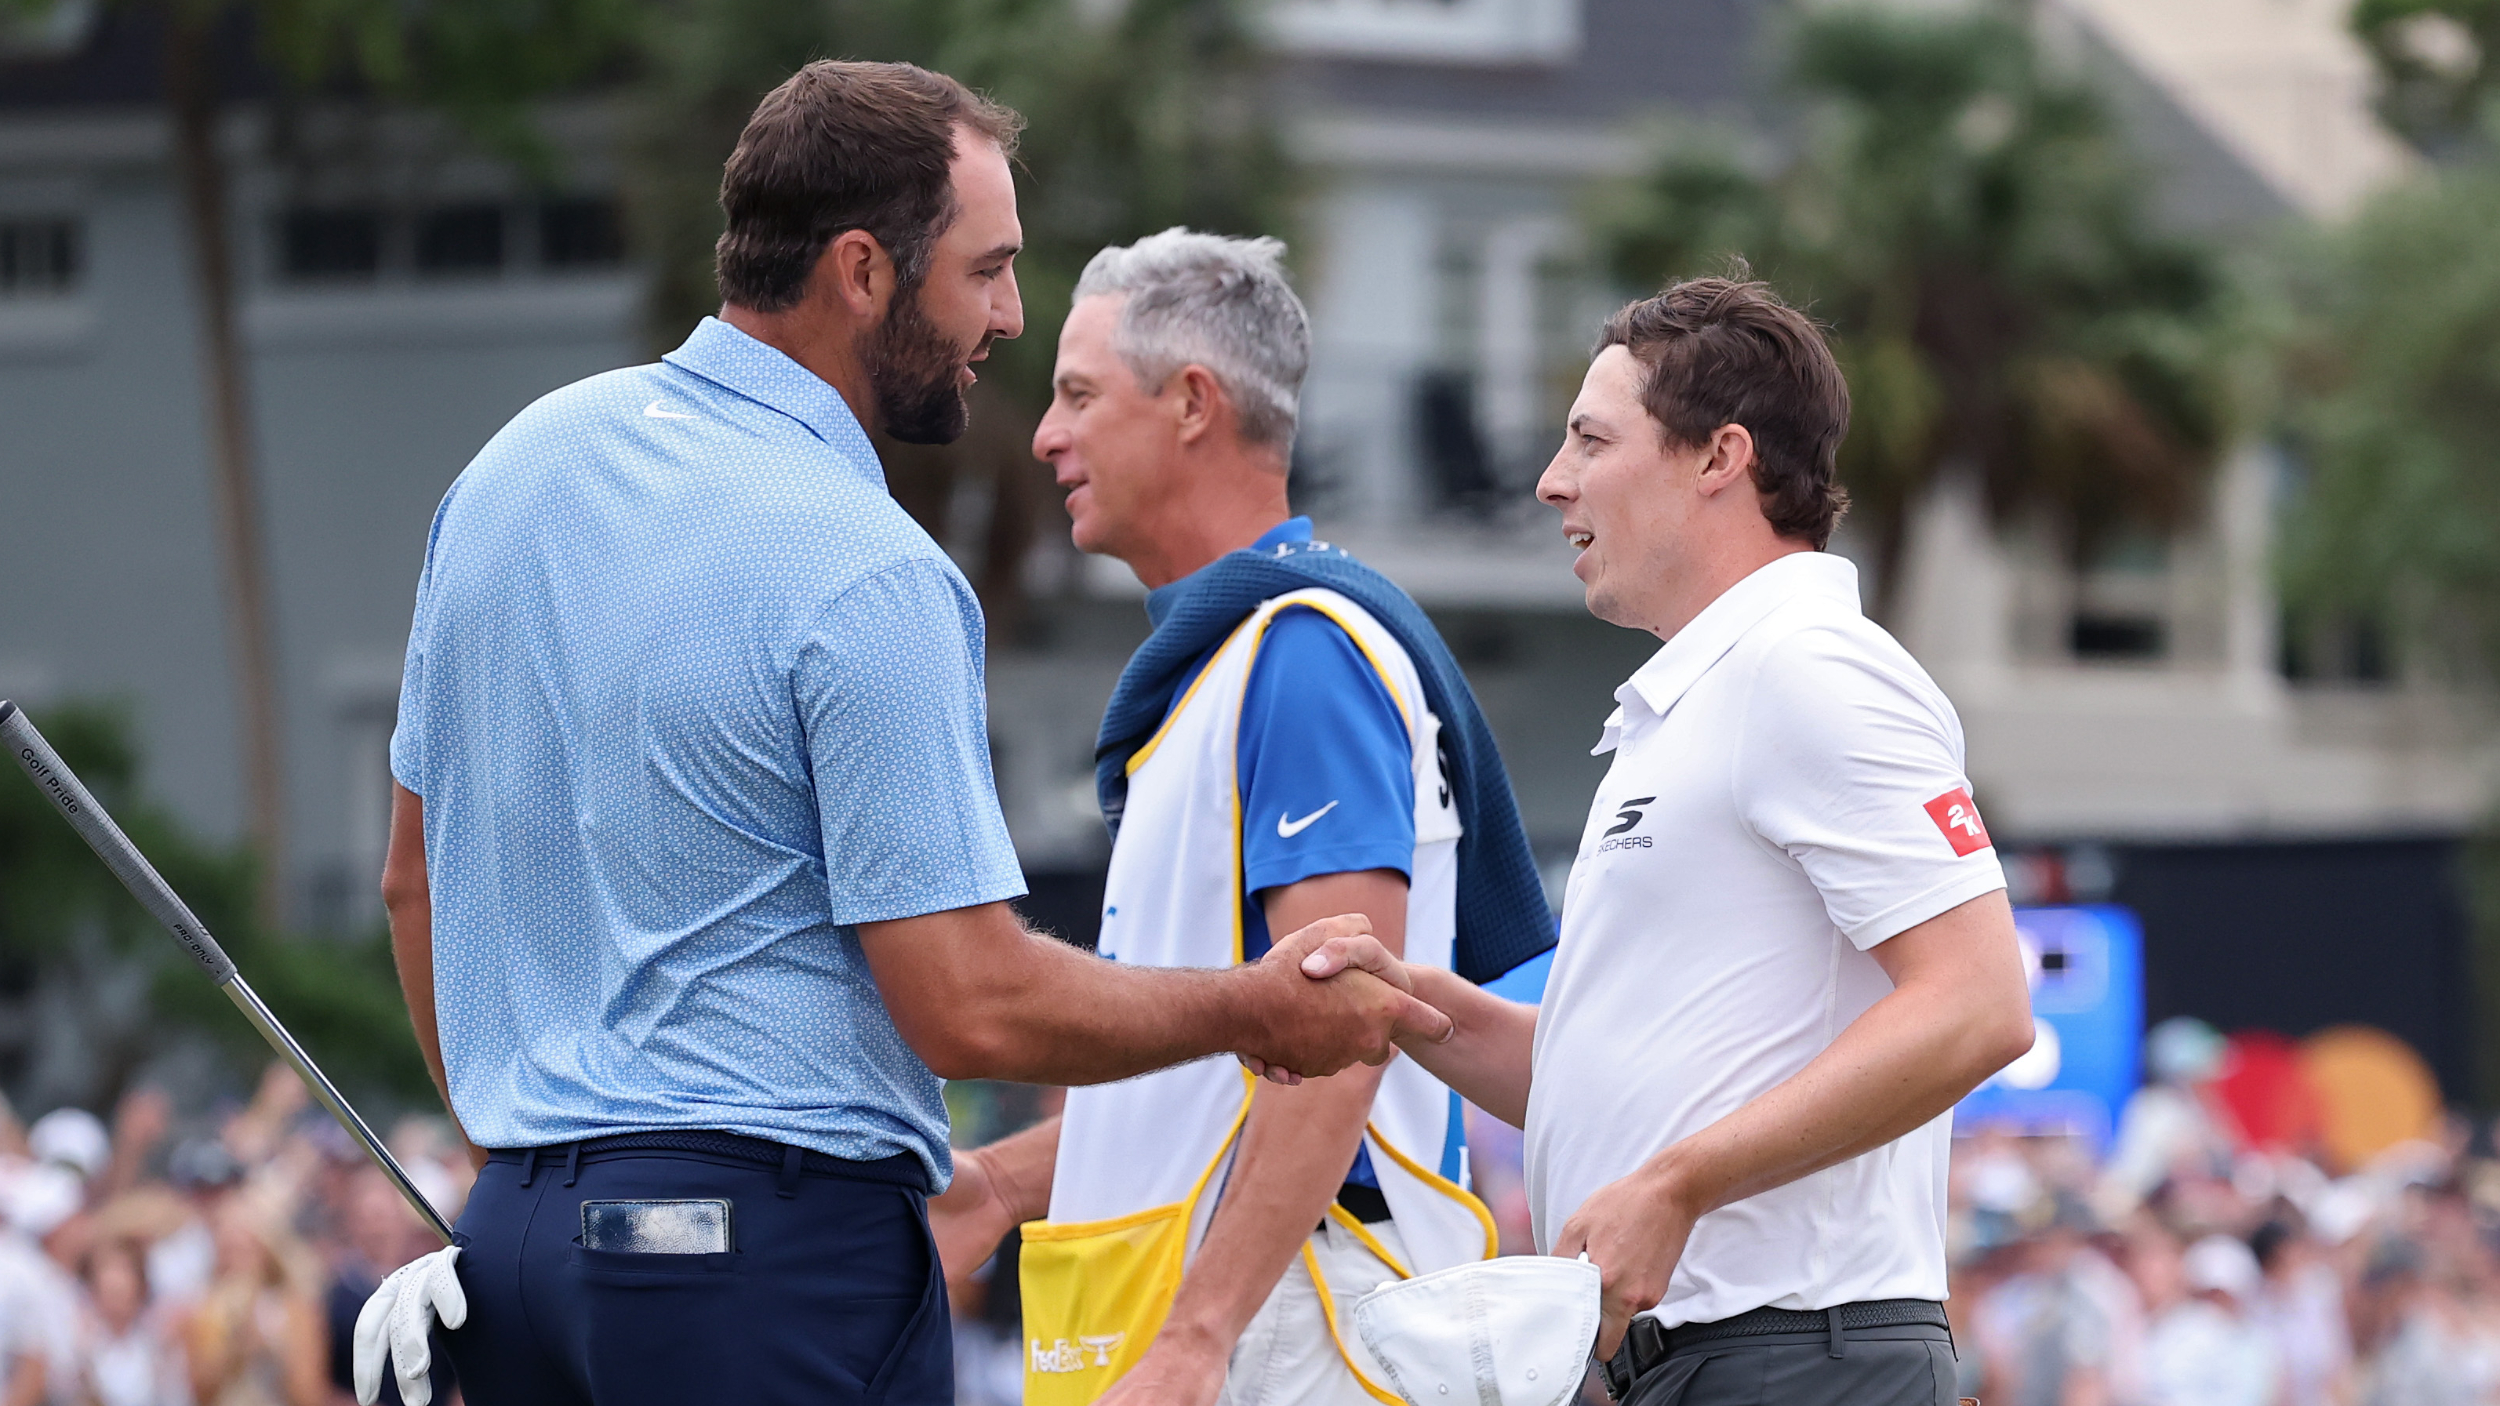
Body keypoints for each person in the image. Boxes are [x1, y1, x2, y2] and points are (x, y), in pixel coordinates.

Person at [363, 60, 1448, 1406]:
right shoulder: (869, 566)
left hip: (515, 1250)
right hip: (759, 1271)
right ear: (864, 272)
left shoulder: (507, 473)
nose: (1008, 315)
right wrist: (1253, 1005)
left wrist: (526, 1171)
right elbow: (967, 1000)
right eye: (986, 270)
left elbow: (413, 878)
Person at [1294, 273, 2036, 1405]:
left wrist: (1679, 1184)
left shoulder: (1808, 665)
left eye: (1591, 439)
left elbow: (1980, 1004)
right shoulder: (1704, 696)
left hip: (1793, 1360)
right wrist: (1410, 1010)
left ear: (1719, 458)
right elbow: (1613, 1088)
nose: (1552, 479)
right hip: (1724, 1362)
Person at [931, 230, 1553, 1406]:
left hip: (1294, 1323)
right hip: (1261, 1314)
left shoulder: (1299, 654)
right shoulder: (1245, 656)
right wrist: (1005, 1183)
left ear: (1191, 403)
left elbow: (1339, 1035)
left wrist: (1198, 1332)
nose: (1047, 434)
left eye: (1077, 394)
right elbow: (1220, 1088)